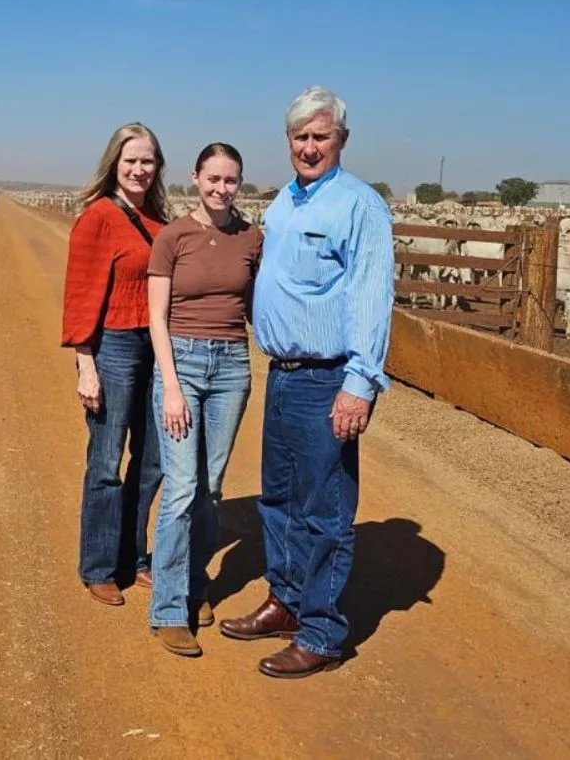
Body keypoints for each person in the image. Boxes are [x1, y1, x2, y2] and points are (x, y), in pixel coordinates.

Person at [218, 85, 394, 678]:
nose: (309, 147)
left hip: (327, 378)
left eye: (321, 136)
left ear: (341, 140)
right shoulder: (285, 203)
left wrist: (359, 383)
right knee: (279, 500)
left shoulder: (359, 205)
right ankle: (285, 602)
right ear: (288, 140)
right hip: (284, 374)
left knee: (324, 510)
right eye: (300, 137)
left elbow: (372, 297)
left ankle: (321, 630)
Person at [144, 143, 263, 657]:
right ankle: (169, 607)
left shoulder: (252, 238)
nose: (221, 188)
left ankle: (196, 583)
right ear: (195, 178)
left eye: (230, 180)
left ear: (240, 183)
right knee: (182, 485)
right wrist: (170, 384)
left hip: (233, 364)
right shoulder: (174, 236)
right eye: (212, 178)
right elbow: (156, 317)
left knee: (212, 485)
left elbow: (259, 305)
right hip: (183, 366)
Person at [61, 122, 169, 606]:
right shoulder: (98, 217)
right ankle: (99, 565)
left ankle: (135, 556)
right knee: (107, 459)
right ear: (114, 164)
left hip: (157, 347)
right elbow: (81, 293)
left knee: (151, 461)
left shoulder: (160, 221)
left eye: (147, 161)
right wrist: (87, 364)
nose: (140, 169)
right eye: (131, 161)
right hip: (115, 346)